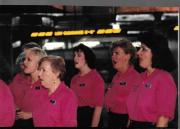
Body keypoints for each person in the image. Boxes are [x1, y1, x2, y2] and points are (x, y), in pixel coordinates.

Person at [127, 31, 177, 128]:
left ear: (156, 53)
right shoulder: (140, 77)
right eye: (139, 48)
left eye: (144, 49)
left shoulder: (164, 78)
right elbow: (132, 112)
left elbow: (163, 118)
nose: (138, 53)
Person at [104, 39, 141, 128]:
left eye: (117, 53)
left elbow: (137, 105)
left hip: (126, 121)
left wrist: (130, 122)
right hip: (111, 118)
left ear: (127, 56)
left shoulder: (136, 77)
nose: (113, 56)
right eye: (112, 54)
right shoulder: (116, 76)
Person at [33, 55, 78, 127]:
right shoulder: (41, 93)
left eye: (43, 70)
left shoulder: (68, 96)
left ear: (56, 73)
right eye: (39, 70)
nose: (39, 74)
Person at [10, 47, 47, 127]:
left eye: (29, 60)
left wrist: (32, 114)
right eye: (25, 59)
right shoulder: (25, 81)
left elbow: (56, 109)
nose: (24, 62)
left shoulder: (46, 84)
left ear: (39, 64)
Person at [70, 44, 104, 127]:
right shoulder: (74, 79)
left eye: (79, 55)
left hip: (90, 117)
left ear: (87, 58)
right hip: (75, 117)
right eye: (74, 55)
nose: (75, 58)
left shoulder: (96, 78)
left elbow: (98, 108)